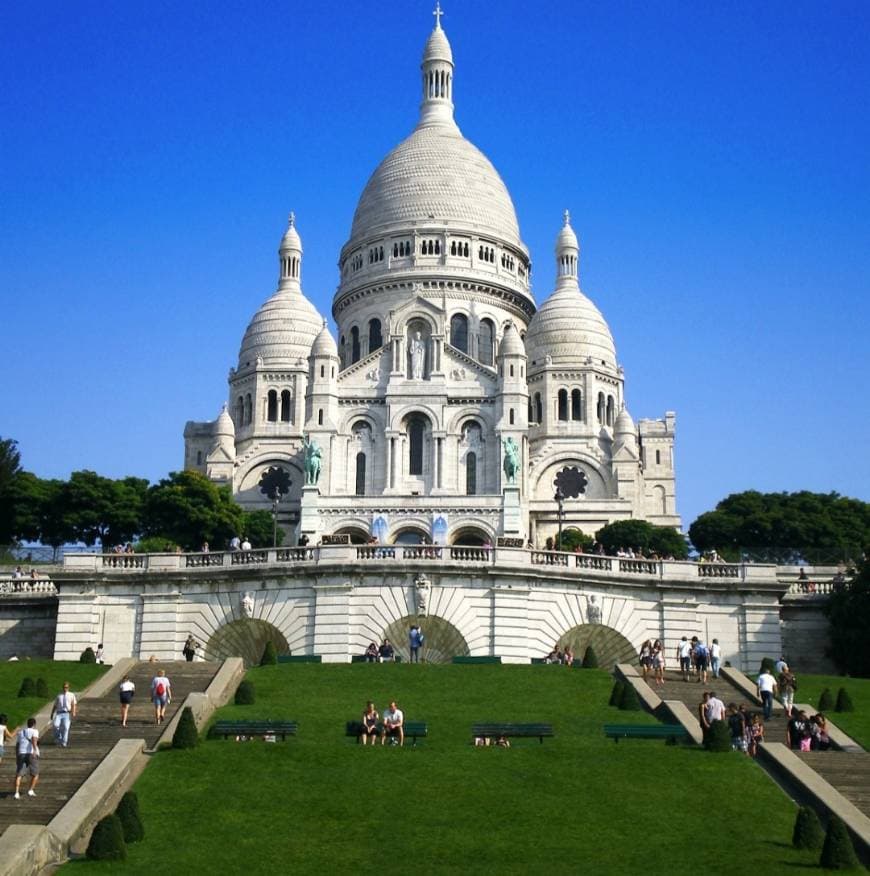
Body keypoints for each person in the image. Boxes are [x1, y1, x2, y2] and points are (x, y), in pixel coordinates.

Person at [13, 717, 40, 799]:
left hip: (21, 753)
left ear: (27, 724)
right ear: (34, 724)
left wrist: (17, 755)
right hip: (30, 754)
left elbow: (17, 745)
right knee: (35, 774)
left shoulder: (21, 732)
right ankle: (31, 790)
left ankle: (16, 793)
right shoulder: (35, 731)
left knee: (19, 774)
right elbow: (34, 740)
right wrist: (35, 750)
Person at [51, 682, 78, 748]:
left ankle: (64, 742)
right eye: (64, 687)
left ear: (68, 688)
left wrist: (73, 712)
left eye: (66, 687)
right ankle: (58, 737)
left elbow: (73, 704)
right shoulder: (59, 695)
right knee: (55, 725)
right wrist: (52, 713)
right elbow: (55, 705)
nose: (65, 689)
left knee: (66, 728)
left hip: (67, 713)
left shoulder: (71, 695)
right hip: (59, 713)